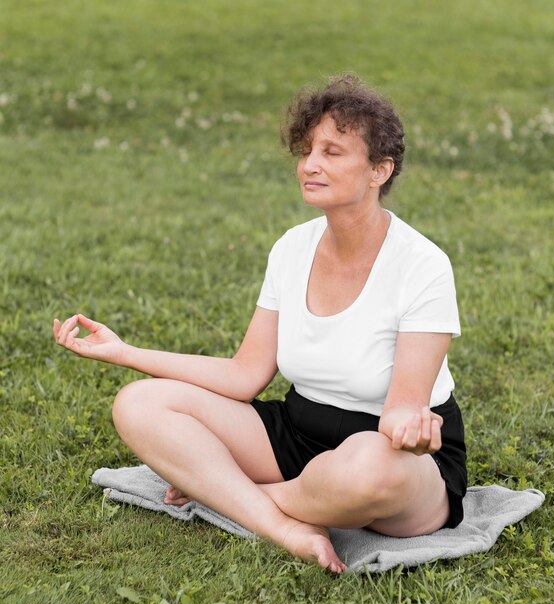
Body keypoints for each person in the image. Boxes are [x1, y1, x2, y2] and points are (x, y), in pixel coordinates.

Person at [54, 75, 466, 574]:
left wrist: (414, 435)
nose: (310, 165)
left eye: (333, 153)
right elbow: (245, 375)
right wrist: (125, 353)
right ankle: (286, 525)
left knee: (368, 467)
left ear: (380, 170)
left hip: (388, 454)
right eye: (308, 150)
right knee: (139, 402)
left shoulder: (422, 264)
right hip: (297, 433)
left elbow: (399, 412)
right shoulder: (292, 248)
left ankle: (232, 495)